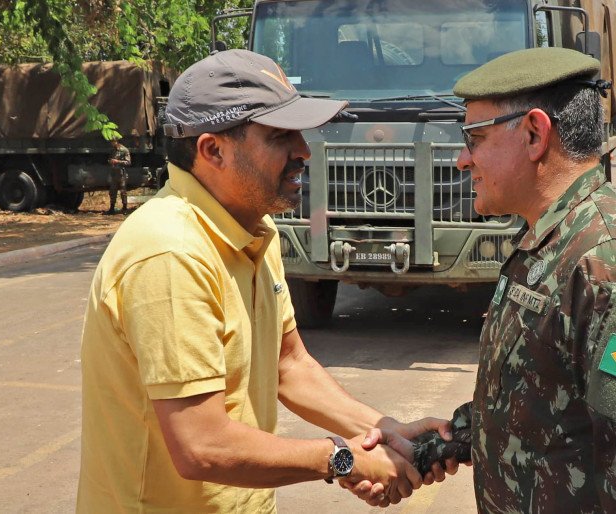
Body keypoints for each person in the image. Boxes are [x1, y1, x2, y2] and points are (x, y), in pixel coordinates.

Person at [77, 49, 453, 513]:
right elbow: (202, 446)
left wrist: (381, 428)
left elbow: (288, 365)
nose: (304, 151)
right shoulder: (170, 252)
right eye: (280, 137)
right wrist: (341, 459)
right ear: (213, 149)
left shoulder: (255, 225)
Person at [367, 47, 616, 512]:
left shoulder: (612, 267)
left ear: (533, 134)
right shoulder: (551, 237)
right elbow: (550, 399)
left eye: (475, 138)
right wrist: (445, 441)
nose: (462, 161)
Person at [107, 138, 131, 213]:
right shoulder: (113, 150)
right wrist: (110, 161)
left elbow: (128, 162)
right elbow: (110, 159)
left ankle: (124, 208)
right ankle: (112, 208)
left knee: (123, 191)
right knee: (112, 191)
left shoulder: (124, 150)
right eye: (111, 142)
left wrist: (118, 161)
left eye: (113, 142)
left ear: (117, 141)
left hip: (121, 174)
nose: (112, 143)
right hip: (114, 173)